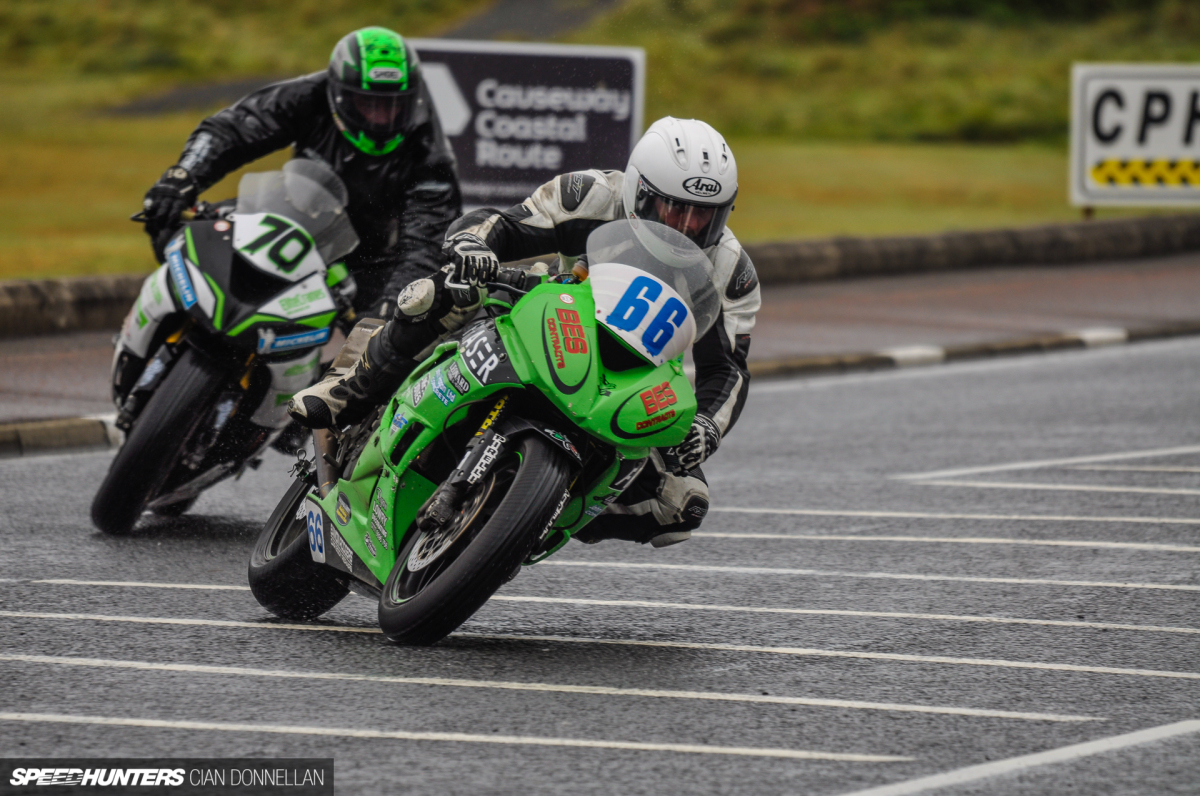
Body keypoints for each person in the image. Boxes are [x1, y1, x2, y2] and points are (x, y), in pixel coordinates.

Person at [289, 117, 761, 548]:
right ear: (639, 191)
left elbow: (728, 370)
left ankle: (534, 519)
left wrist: (706, 426)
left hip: (631, 379)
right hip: (555, 313)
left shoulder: (731, 270)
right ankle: (350, 388)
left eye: (704, 215)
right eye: (674, 209)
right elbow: (504, 224)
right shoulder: (591, 194)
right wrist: (472, 245)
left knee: (683, 503)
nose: (687, 226)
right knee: (449, 291)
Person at [139, 26, 461, 319]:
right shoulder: (311, 95)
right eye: (368, 104)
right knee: (168, 221)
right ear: (340, 94)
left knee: (391, 335)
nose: (380, 119)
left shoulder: (429, 151)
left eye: (392, 106)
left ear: (412, 100)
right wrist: (184, 175)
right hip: (290, 219)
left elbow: (427, 242)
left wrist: (397, 300)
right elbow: (234, 129)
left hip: (371, 261)